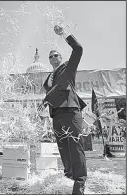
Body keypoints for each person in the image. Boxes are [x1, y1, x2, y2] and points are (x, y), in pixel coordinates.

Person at [42, 26, 87, 195]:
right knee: (63, 148)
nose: (53, 57)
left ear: (60, 57)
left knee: (75, 146)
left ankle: (80, 182)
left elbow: (78, 49)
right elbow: (50, 93)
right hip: (56, 114)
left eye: (56, 55)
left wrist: (63, 34)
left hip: (70, 110)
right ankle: (70, 175)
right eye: (51, 56)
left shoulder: (68, 67)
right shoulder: (49, 77)